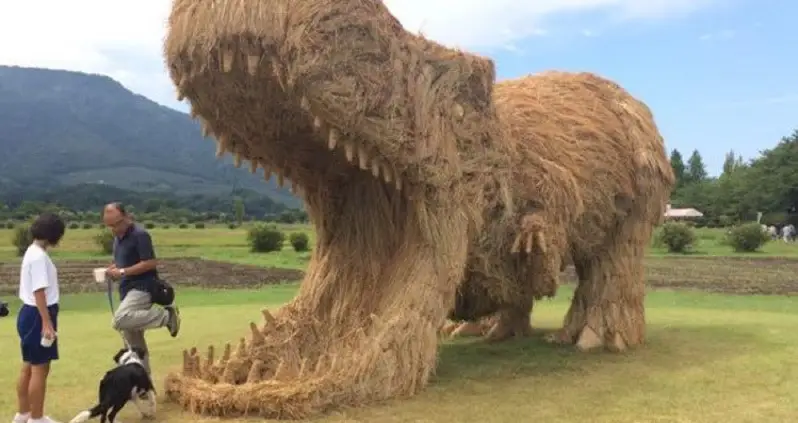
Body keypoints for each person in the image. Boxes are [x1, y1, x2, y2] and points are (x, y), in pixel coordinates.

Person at [102, 202, 180, 375]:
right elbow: (122, 262)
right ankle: (143, 383)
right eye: (109, 226)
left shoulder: (140, 235)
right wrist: (112, 269)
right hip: (126, 289)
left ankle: (167, 316)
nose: (113, 229)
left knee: (120, 319)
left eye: (115, 224)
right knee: (133, 343)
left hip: (143, 287)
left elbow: (150, 262)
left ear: (125, 218)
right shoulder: (117, 239)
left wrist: (122, 271)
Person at [13, 212, 66, 423]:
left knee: (28, 365)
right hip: (38, 314)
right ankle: (36, 418)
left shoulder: (32, 251)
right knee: (40, 369)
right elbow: (39, 292)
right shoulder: (39, 257)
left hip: (29, 314)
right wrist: (47, 322)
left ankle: (23, 413)